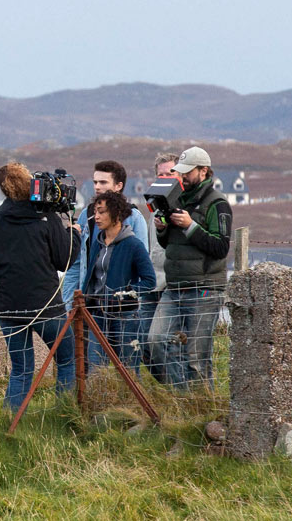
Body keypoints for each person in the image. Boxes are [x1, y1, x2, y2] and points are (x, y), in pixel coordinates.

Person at [0, 162, 81, 412]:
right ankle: (64, 413)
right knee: (67, 360)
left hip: (9, 307)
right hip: (45, 305)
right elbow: (64, 260)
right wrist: (75, 234)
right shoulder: (46, 218)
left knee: (21, 369)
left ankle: (11, 421)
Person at [151, 146, 233, 391]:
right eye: (181, 171)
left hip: (204, 288)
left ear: (203, 171)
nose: (182, 176)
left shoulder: (217, 203)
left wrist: (190, 226)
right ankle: (183, 397)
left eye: (187, 172)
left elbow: (220, 247)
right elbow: (168, 245)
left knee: (197, 357)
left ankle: (200, 408)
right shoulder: (175, 199)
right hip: (174, 286)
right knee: (156, 341)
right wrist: (161, 229)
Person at [59, 159, 148, 383]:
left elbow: (142, 263)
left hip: (125, 307)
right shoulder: (87, 217)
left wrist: (135, 297)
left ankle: (131, 413)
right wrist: (70, 301)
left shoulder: (134, 218)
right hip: (93, 305)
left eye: (103, 182)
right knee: (95, 368)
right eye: (95, 181)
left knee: (128, 368)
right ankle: (98, 414)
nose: (97, 186)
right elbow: (76, 263)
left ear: (118, 186)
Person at [82, 191, 156, 371]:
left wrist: (124, 294)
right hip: (97, 315)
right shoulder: (97, 243)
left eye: (101, 212)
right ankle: (98, 400)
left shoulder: (133, 245)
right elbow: (91, 277)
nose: (96, 217)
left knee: (128, 372)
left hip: (125, 316)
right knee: (95, 370)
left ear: (116, 214)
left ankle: (131, 400)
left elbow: (149, 280)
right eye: (95, 212)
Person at [141, 151, 179, 384]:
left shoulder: (184, 209)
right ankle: (168, 389)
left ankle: (180, 395)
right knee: (141, 341)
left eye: (170, 173)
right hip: (150, 287)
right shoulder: (152, 213)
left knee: (165, 343)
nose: (165, 178)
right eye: (160, 175)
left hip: (173, 286)